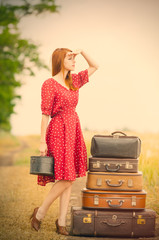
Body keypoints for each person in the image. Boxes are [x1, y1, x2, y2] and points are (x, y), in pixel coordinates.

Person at [30, 48, 99, 235]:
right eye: (70, 58)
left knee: (68, 177)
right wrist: (42, 141)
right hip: (58, 130)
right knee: (66, 178)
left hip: (74, 130)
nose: (74, 61)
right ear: (60, 61)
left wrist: (82, 51)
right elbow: (45, 115)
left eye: (74, 57)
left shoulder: (74, 81)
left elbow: (95, 66)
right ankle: (41, 212)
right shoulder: (49, 84)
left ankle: (61, 222)